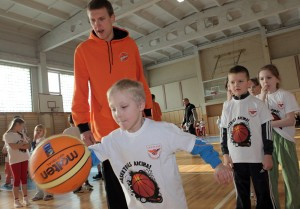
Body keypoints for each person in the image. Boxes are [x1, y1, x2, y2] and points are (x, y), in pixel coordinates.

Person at [88, 79, 232, 209]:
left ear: (140, 105)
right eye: (113, 109)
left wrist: (218, 165)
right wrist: (69, 164)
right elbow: (87, 158)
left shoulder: (163, 131)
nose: (117, 114)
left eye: (124, 107)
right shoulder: (112, 141)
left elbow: (197, 144)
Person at [71, 1, 152, 207]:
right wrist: (82, 126)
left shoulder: (129, 44)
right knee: (115, 191)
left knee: (142, 182)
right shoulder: (83, 50)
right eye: (92, 21)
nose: (97, 25)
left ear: (112, 18)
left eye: (101, 19)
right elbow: (79, 90)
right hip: (104, 132)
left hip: (135, 125)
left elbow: (140, 80)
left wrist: (149, 113)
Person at [220, 65, 275, 209]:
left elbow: (267, 131)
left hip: (257, 158)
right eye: (232, 82)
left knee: (263, 194)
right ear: (229, 85)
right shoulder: (227, 106)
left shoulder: (258, 104)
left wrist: (268, 154)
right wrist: (225, 154)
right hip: (236, 160)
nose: (236, 85)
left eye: (240, 81)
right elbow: (224, 132)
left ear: (248, 82)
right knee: (242, 196)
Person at [258, 64, 300, 209]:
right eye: (262, 79)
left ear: (277, 79)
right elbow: (257, 118)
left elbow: (290, 120)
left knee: (291, 177)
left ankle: (293, 206)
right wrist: (262, 96)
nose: (265, 81)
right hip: (266, 142)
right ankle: (273, 205)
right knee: (270, 178)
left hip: (285, 140)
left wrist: (269, 124)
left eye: (269, 77)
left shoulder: (285, 95)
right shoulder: (258, 99)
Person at [3, 117, 31, 208]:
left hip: (24, 158)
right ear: (17, 125)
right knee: (16, 180)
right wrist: (21, 145)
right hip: (15, 160)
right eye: (22, 126)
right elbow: (13, 147)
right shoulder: (7, 135)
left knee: (24, 179)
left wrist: (19, 145)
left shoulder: (21, 133)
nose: (23, 128)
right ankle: (16, 201)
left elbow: (27, 146)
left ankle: (25, 198)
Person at [63, 115, 94, 193]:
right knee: (84, 169)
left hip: (72, 155)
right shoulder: (81, 129)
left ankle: (78, 186)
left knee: (76, 171)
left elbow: (63, 143)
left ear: (69, 121)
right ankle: (86, 183)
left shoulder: (66, 131)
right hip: (82, 152)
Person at [31, 124, 54, 201]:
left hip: (44, 163)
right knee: (38, 179)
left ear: (43, 132)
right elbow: (32, 151)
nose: (38, 132)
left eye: (40, 130)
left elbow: (50, 152)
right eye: (36, 130)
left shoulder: (45, 140)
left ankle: (49, 194)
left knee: (46, 178)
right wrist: (34, 140)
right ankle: (39, 194)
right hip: (36, 163)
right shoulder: (35, 141)